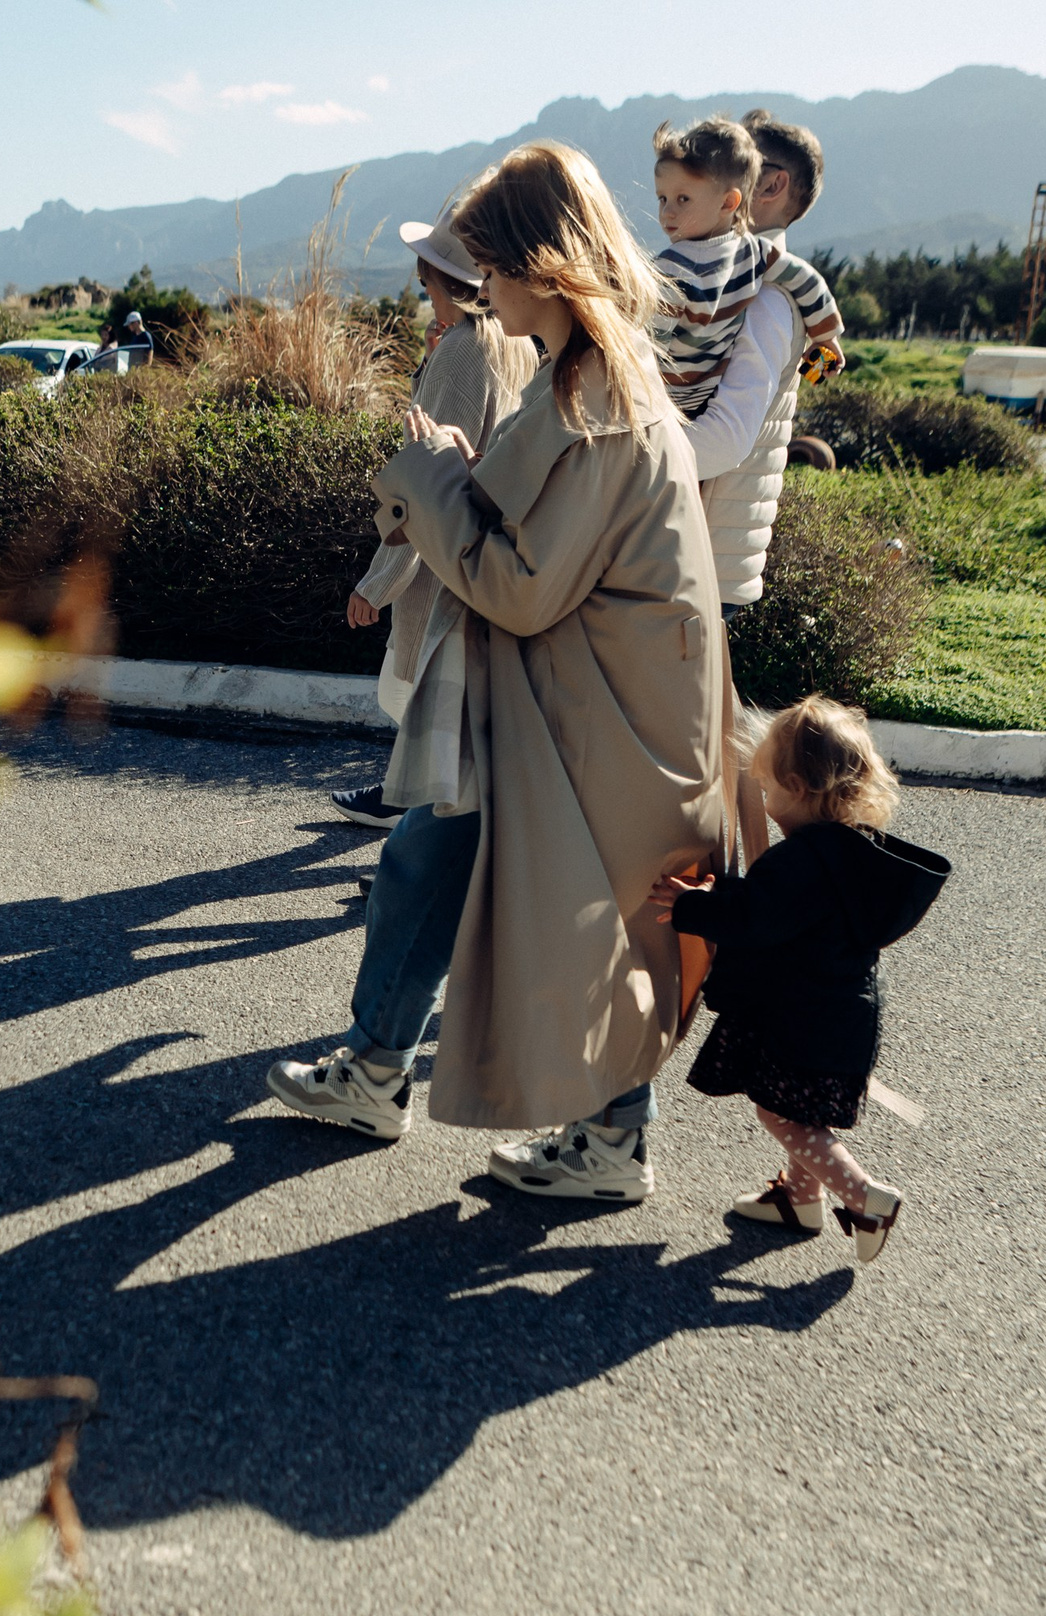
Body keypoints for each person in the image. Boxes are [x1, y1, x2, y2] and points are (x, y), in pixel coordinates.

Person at [266, 141, 731, 1204]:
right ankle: (385, 1069)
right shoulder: (590, 376)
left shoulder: (591, 394)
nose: (483, 288)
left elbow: (521, 586)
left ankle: (582, 1131)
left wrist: (432, 473)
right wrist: (460, 479)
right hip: (583, 704)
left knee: (577, 912)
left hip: (586, 715)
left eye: (495, 266)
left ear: (543, 261)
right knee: (453, 870)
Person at [656, 696, 950, 1263]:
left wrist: (694, 907)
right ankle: (798, 1198)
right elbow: (781, 914)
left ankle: (865, 1197)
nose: (764, 803)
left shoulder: (801, 863)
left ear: (795, 784)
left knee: (781, 1113)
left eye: (766, 790)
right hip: (841, 1014)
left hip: (805, 1018)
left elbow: (756, 919)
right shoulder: (852, 855)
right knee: (801, 1107)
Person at [329, 205, 537, 833]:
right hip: (482, 553)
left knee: (407, 694)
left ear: (454, 286)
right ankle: (412, 811)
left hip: (439, 562)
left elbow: (423, 480)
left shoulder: (461, 351)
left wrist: (378, 582)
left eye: (429, 289)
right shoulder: (515, 341)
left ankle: (415, 827)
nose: (428, 302)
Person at [682, 109, 831, 620]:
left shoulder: (766, 298)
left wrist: (625, 458)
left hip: (699, 564)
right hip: (701, 554)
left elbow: (726, 439)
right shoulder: (745, 279)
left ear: (769, 184)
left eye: (735, 164)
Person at [648, 117, 842, 424]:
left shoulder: (765, 295)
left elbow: (728, 434)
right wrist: (827, 335)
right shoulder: (758, 258)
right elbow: (808, 282)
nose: (667, 211)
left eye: (683, 199)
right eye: (663, 199)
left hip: (684, 433)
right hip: (709, 431)